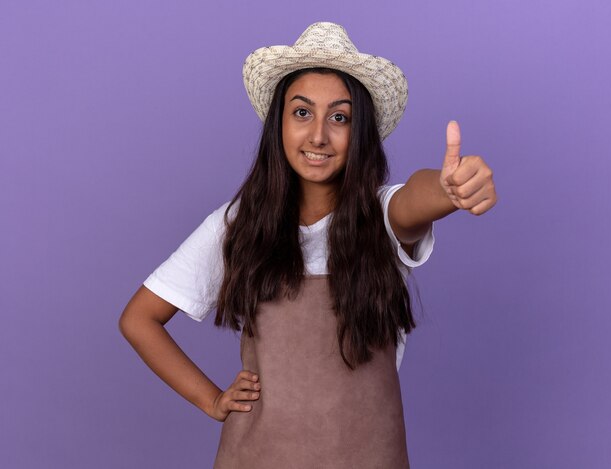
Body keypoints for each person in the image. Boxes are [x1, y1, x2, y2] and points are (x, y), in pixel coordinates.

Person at [119, 22, 497, 468]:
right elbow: (139, 319)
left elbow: (416, 198)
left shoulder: (382, 216)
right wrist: (212, 399)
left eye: (339, 117)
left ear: (360, 135)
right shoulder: (237, 224)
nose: (318, 135)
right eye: (302, 113)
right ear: (279, 122)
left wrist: (448, 189)